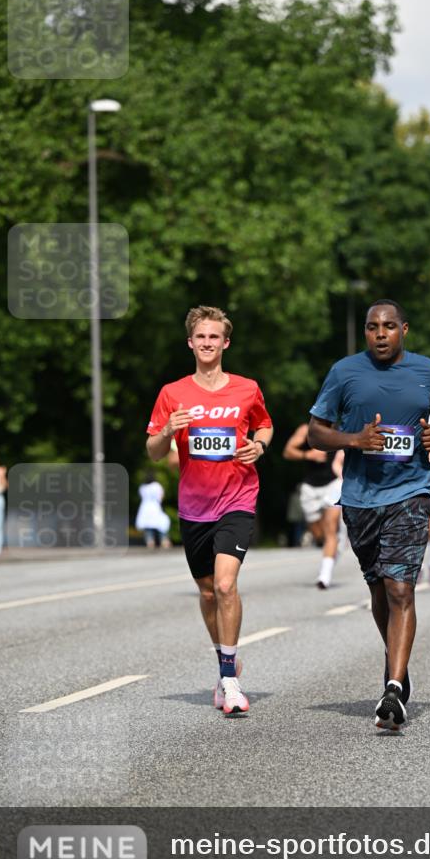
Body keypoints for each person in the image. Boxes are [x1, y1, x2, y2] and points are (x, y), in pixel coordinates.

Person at [308, 299, 430, 730]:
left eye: (388, 326)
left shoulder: (427, 370)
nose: (379, 333)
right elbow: (317, 432)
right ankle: (399, 664)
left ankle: (392, 688)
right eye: (372, 327)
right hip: (359, 497)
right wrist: (354, 440)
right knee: (378, 589)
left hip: (410, 492)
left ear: (403, 329)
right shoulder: (344, 372)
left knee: (399, 588)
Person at [146, 306, 273, 714]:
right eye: (200, 336)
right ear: (190, 342)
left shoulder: (247, 388)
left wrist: (260, 445)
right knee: (205, 591)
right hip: (193, 506)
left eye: (214, 337)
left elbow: (264, 424)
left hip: (237, 498)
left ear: (225, 343)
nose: (207, 343)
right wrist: (167, 431)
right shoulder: (173, 393)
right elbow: (153, 452)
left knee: (224, 585)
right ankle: (226, 658)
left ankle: (230, 682)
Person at [283, 423, 342, 588]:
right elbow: (288, 451)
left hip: (333, 484)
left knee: (331, 529)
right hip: (310, 487)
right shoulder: (305, 430)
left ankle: (325, 576)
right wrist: (308, 455)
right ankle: (331, 547)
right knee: (318, 534)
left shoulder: (342, 429)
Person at [135, 472, 172, 549]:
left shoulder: (142, 487)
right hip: (155, 507)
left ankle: (150, 542)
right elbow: (161, 497)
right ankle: (164, 541)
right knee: (161, 524)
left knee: (148, 527)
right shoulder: (156, 486)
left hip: (144, 508)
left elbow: (141, 497)